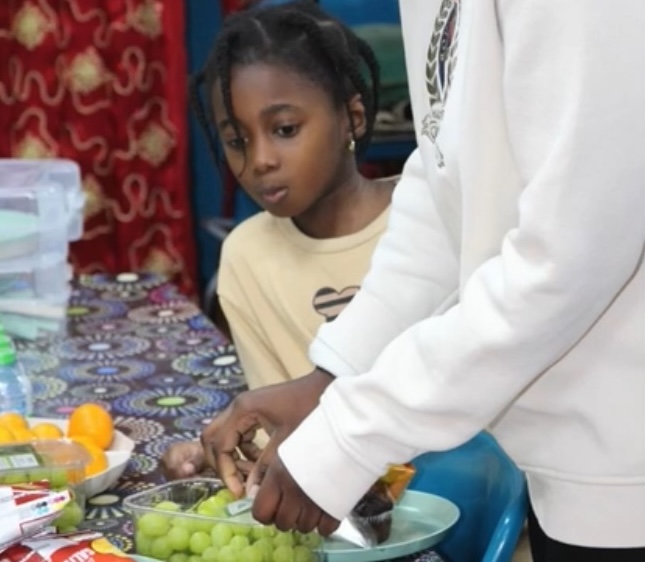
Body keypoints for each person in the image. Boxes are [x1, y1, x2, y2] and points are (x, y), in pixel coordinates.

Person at [199, 0, 645, 560]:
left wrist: (349, 435)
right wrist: (335, 375)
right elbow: (447, 186)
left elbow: (570, 256)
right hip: (575, 471)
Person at [161, 0, 397, 479]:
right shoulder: (246, 257)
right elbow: (282, 431)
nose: (262, 159)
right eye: (237, 141)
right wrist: (215, 457)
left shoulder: (426, 219)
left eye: (285, 129)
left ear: (352, 117)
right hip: (344, 502)